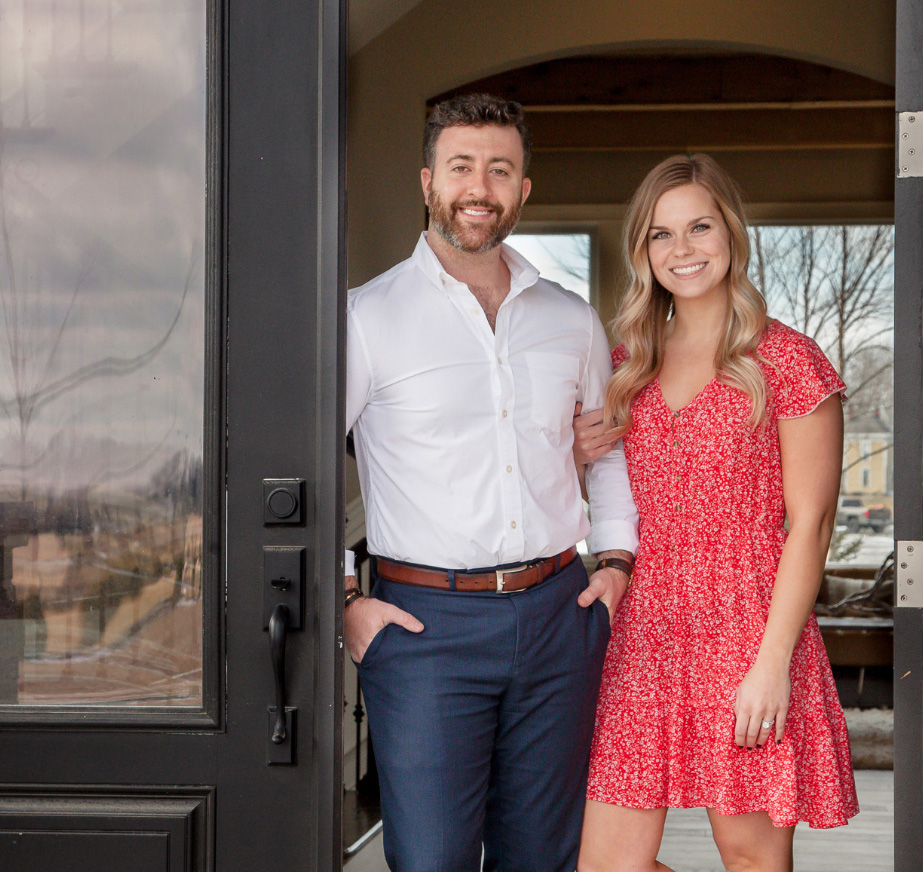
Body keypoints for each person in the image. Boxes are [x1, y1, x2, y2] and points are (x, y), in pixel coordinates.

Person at [342, 93, 639, 872]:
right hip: (423, 628)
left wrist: (615, 565)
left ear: (523, 190)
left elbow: (603, 451)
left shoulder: (571, 320)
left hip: (557, 613)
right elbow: (297, 467)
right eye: (461, 166)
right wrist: (345, 600)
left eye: (499, 169)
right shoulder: (363, 319)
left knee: (542, 859)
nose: (480, 186)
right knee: (434, 860)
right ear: (426, 181)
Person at [573, 154, 859, 872]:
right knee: (605, 863)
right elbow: (590, 487)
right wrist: (574, 449)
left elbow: (812, 524)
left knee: (751, 859)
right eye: (660, 235)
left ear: (730, 232)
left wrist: (770, 666)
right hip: (644, 632)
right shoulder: (625, 362)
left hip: (750, 625)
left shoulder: (787, 359)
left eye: (698, 226)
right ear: (642, 250)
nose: (682, 249)